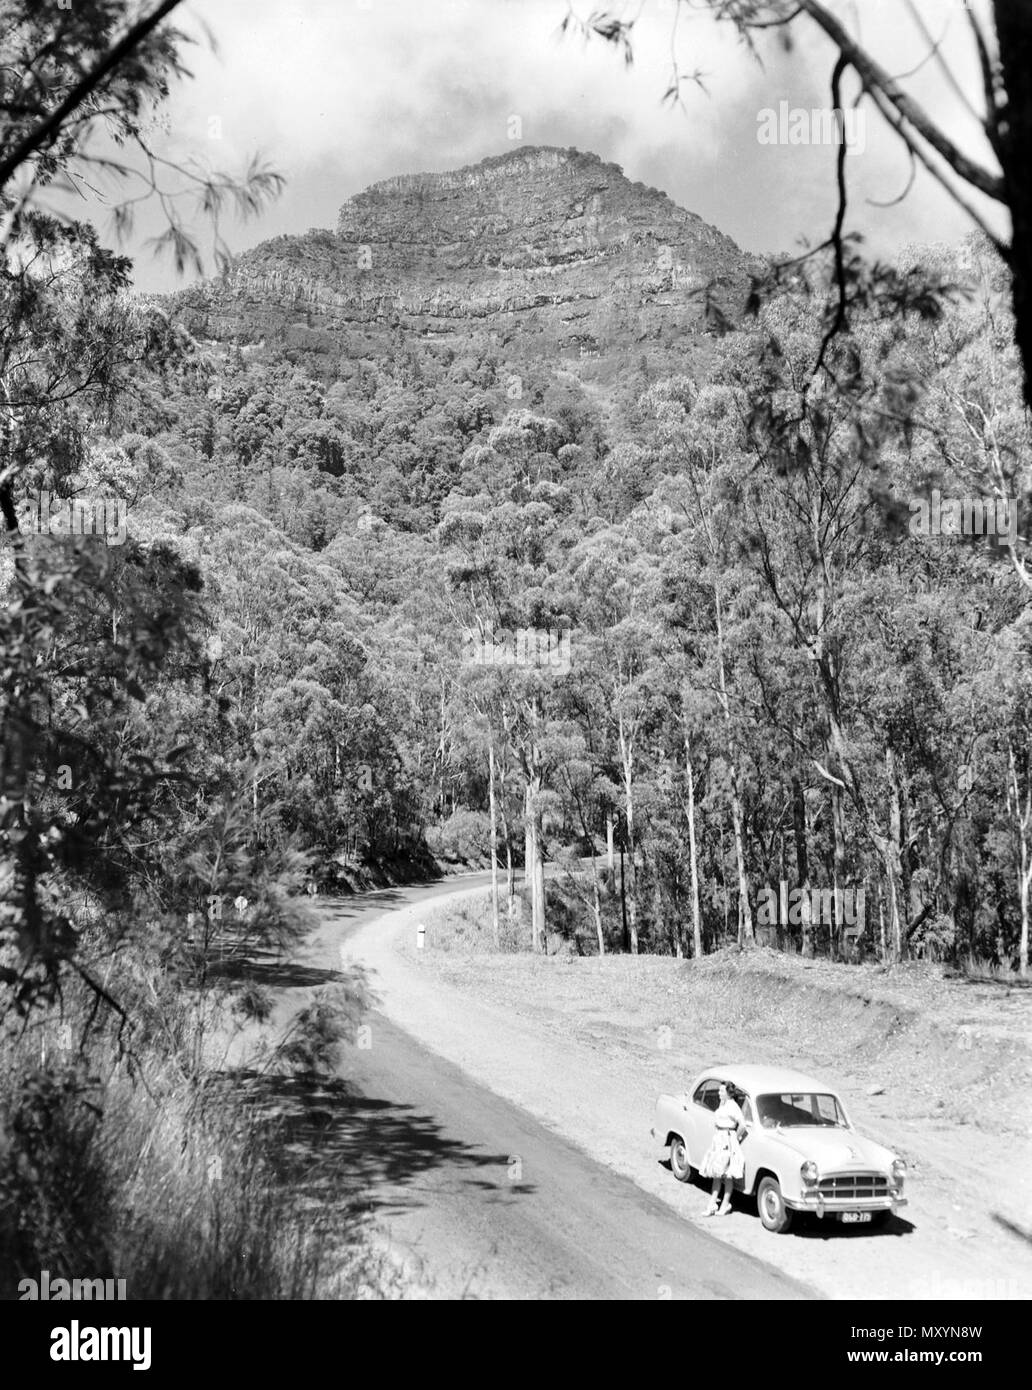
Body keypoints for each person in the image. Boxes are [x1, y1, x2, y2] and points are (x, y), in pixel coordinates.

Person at [700, 1083, 746, 1216]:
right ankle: (712, 1204)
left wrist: (734, 1138)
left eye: (721, 1091)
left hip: (727, 1139)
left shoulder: (733, 1106)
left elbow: (742, 1125)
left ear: (728, 1092)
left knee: (727, 1175)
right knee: (716, 1174)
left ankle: (724, 1205)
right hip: (719, 1139)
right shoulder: (723, 1104)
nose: (719, 1093)